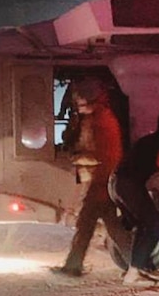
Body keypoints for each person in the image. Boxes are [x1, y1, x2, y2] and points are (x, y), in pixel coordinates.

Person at [51, 79, 125, 277]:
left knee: (101, 227)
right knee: (99, 226)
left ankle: (139, 263)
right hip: (101, 183)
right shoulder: (96, 117)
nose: (78, 105)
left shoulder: (102, 120)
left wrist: (80, 158)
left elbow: (106, 155)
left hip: (100, 183)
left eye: (81, 101)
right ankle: (73, 265)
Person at [112, 107, 159, 284]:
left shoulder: (149, 139)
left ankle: (140, 267)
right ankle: (134, 271)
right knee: (154, 225)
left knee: (144, 224)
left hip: (117, 183)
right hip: (129, 184)